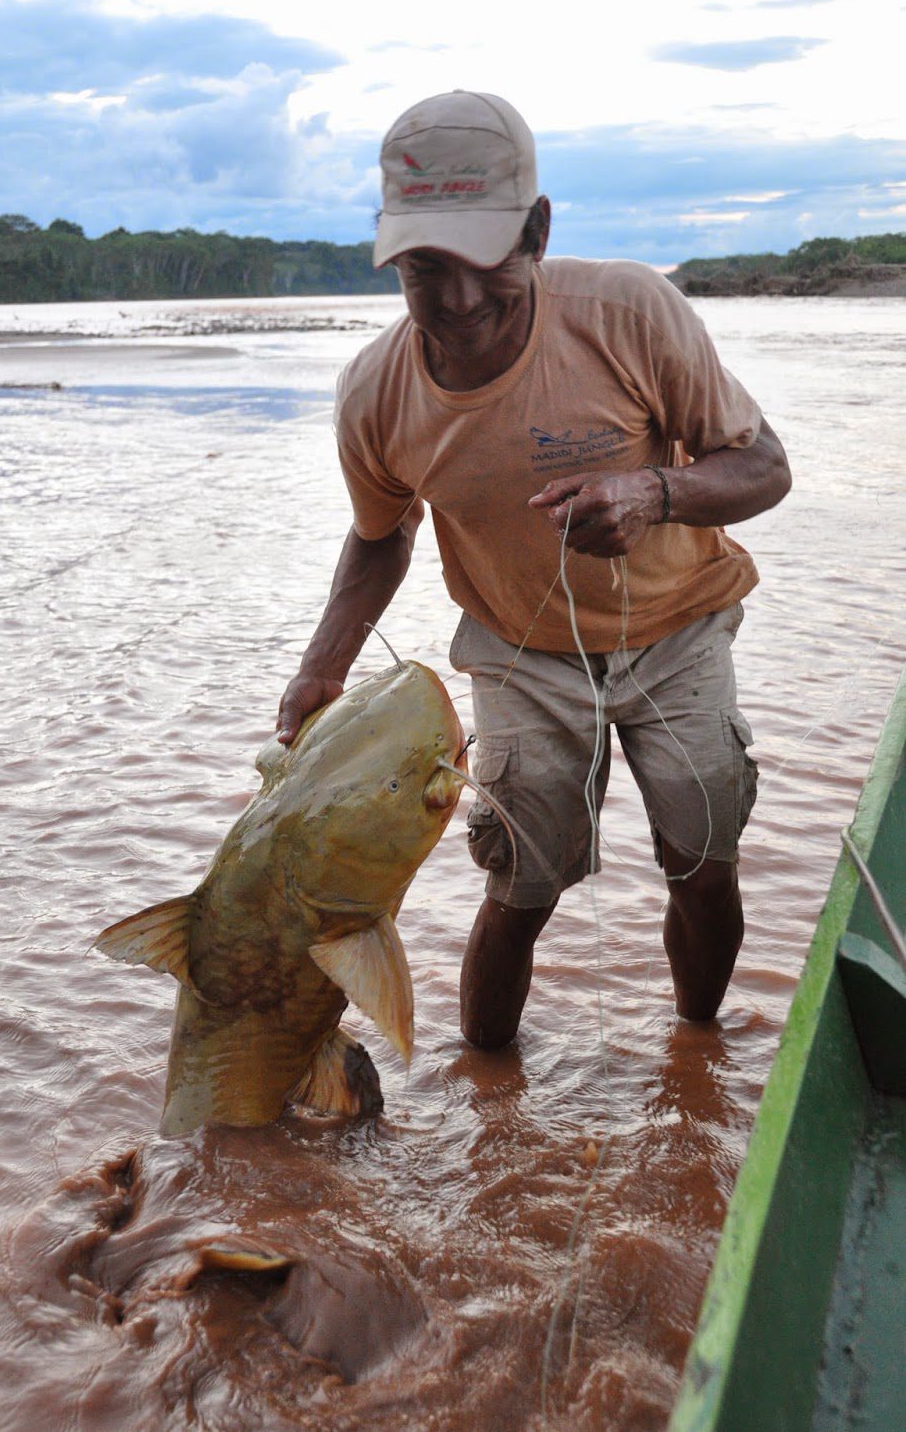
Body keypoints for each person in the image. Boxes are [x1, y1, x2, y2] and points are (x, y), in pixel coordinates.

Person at [276, 90, 791, 1048]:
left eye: (489, 262)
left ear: (538, 231)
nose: (462, 302)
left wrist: (655, 495)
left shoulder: (628, 313)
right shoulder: (374, 396)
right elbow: (382, 535)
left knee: (704, 861)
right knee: (520, 888)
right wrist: (322, 664)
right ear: (388, 256)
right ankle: (490, 1098)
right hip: (522, 657)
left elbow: (765, 466)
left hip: (677, 634)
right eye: (428, 270)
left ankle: (699, 1059)